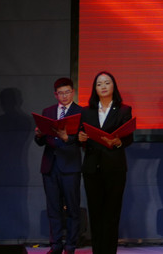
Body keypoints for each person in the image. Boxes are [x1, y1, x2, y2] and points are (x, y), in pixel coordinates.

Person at [77, 72, 134, 254]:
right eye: (99, 83)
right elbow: (81, 136)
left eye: (107, 83)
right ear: (95, 88)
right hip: (92, 168)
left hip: (114, 167)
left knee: (112, 213)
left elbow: (128, 138)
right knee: (95, 213)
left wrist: (117, 142)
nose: (103, 86)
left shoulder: (124, 110)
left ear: (113, 86)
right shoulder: (86, 111)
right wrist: (80, 138)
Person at [34, 77, 84, 254]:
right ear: (55, 94)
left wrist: (67, 138)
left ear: (73, 92)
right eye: (60, 93)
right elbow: (41, 142)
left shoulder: (80, 112)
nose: (64, 96)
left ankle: (70, 246)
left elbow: (83, 140)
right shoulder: (47, 111)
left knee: (72, 209)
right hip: (50, 165)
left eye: (67, 92)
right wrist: (39, 135)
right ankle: (56, 245)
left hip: (70, 165)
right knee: (53, 208)